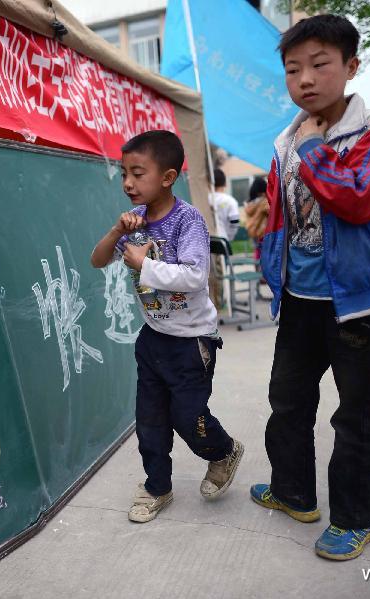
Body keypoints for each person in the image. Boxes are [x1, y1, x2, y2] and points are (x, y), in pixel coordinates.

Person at [247, 15, 370, 561]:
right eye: (294, 69)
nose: (306, 79)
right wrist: (270, 258)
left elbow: (360, 199)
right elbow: (281, 213)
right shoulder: (287, 138)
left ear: (351, 66)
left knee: (357, 414)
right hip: (300, 300)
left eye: (320, 65)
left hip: (358, 303)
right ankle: (293, 492)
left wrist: (317, 152)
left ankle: (354, 518)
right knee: (287, 401)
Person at [90, 130, 244, 523]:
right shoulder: (134, 221)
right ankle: (157, 486)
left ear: (168, 176)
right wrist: (115, 232)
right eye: (124, 173)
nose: (127, 182)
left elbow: (195, 277)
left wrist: (143, 264)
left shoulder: (187, 220)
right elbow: (97, 260)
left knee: (188, 418)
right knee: (150, 421)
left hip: (192, 342)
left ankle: (223, 451)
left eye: (137, 173)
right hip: (153, 338)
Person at [207, 168, 241, 308]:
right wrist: (229, 237)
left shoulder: (206, 198)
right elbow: (234, 223)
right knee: (222, 273)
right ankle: (221, 302)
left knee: (210, 273)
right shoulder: (230, 201)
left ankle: (212, 301)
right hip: (223, 240)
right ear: (225, 183)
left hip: (207, 239)